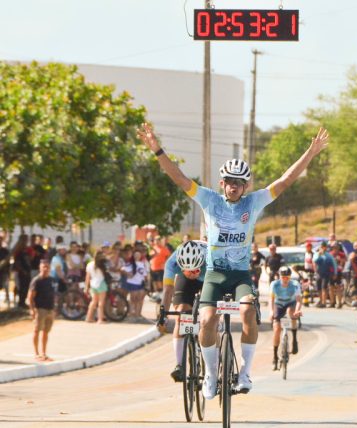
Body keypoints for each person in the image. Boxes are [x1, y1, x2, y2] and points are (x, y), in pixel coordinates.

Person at [138, 122, 329, 398]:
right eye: (229, 182)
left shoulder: (253, 203)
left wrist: (310, 153)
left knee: (249, 311)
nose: (234, 187)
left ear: (245, 186)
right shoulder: (208, 199)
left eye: (239, 183)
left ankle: (245, 373)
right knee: (206, 321)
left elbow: (285, 181)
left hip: (240, 274)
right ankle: (212, 377)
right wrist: (156, 149)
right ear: (222, 183)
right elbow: (179, 177)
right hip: (214, 274)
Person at [163, 240, 208, 383]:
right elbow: (168, 290)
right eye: (187, 271)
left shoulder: (211, 259)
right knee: (181, 314)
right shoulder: (172, 263)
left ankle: (210, 356)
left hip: (208, 277)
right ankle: (179, 365)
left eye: (194, 271)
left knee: (209, 315)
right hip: (186, 282)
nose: (191, 274)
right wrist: (162, 313)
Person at [268, 266, 302, 370]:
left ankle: (294, 339)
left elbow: (299, 300)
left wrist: (297, 310)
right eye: (283, 277)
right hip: (279, 305)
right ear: (279, 277)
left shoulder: (295, 284)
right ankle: (275, 356)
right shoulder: (274, 284)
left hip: (291, 304)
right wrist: (271, 311)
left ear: (290, 277)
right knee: (277, 329)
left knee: (291, 313)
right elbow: (271, 299)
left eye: (287, 277)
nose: (285, 279)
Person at [27, 259, 56, 361]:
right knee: (37, 330)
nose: (45, 269)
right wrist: (32, 310)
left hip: (50, 309)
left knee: (46, 332)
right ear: (40, 268)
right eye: (44, 267)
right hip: (40, 309)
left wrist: (54, 308)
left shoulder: (51, 280)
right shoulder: (37, 280)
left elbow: (53, 294)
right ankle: (36, 353)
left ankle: (44, 353)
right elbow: (30, 297)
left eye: (47, 267)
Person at [122, 247, 149, 321]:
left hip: (140, 283)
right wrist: (128, 274)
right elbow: (123, 269)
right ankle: (131, 313)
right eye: (136, 255)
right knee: (133, 299)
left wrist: (147, 282)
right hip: (133, 283)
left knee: (139, 299)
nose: (137, 256)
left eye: (138, 255)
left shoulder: (142, 264)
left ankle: (137, 314)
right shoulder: (130, 263)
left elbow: (145, 274)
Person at [84, 250, 109, 323]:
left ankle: (88, 317)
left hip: (93, 283)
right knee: (101, 303)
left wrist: (86, 287)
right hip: (101, 283)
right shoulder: (101, 265)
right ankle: (100, 319)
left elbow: (87, 277)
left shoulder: (90, 264)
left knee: (93, 301)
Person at [312, 241, 337, 308]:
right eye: (322, 247)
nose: (323, 248)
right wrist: (320, 255)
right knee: (319, 288)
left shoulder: (329, 255)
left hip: (326, 273)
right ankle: (321, 300)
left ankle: (324, 302)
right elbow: (315, 261)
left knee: (324, 288)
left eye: (324, 247)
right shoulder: (316, 254)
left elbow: (334, 264)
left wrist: (335, 273)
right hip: (319, 273)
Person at [12, 234, 32, 308]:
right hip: (21, 271)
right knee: (21, 287)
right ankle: (20, 302)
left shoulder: (27, 249)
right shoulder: (18, 250)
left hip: (27, 270)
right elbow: (17, 262)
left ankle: (23, 301)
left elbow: (30, 259)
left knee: (26, 287)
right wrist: (22, 270)